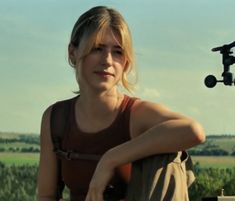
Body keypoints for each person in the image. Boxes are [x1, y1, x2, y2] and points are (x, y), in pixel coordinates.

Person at [36, 6, 205, 201]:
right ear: (73, 52)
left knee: (170, 158)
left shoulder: (135, 115)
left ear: (125, 62)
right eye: (97, 48)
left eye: (117, 52)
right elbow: (46, 195)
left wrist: (110, 159)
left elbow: (193, 131)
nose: (107, 60)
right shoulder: (56, 118)